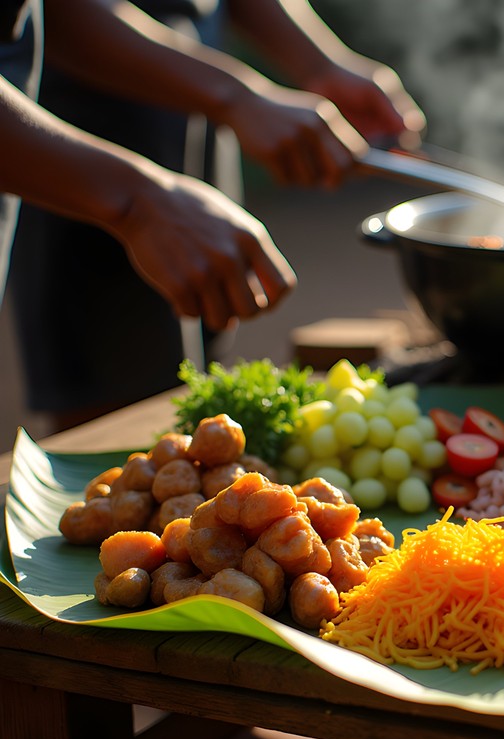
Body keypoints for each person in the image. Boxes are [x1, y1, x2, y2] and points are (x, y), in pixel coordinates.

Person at [2, 0, 424, 428]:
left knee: (190, 384)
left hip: (189, 108)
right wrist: (137, 203)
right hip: (75, 140)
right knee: (120, 418)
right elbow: (59, 12)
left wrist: (317, 62)